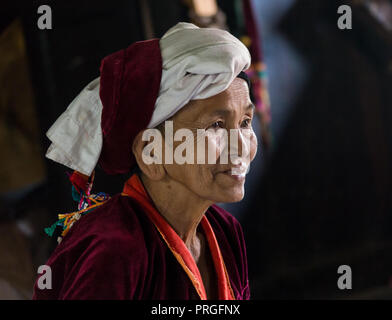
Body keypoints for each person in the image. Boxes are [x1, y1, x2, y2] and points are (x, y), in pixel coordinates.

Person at [33, 22, 257, 300]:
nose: (240, 147)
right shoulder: (114, 250)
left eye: (246, 122)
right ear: (151, 152)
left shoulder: (224, 231)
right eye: (216, 125)